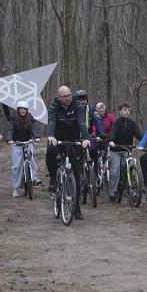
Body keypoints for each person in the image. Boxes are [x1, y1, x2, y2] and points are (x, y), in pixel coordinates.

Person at [45, 86, 91, 219]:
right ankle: (53, 179)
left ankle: (76, 209)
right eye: (65, 96)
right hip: (58, 139)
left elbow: (82, 123)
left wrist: (86, 138)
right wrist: (51, 136)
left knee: (76, 174)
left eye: (69, 95)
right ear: (59, 98)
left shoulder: (78, 106)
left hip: (74, 140)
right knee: (50, 151)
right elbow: (51, 123)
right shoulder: (53, 107)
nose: (68, 98)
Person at [6, 100, 42, 198]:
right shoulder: (13, 118)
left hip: (28, 142)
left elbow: (33, 129)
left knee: (31, 160)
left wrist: (36, 137)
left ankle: (34, 178)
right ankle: (15, 188)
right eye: (21, 109)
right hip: (16, 143)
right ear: (18, 109)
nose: (23, 111)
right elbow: (10, 130)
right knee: (17, 166)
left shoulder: (30, 118)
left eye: (24, 109)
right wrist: (9, 139)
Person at [107, 103, 142, 201]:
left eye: (128, 110)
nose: (127, 112)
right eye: (125, 110)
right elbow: (113, 133)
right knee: (115, 171)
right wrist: (111, 141)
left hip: (127, 149)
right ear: (120, 111)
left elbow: (138, 134)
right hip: (116, 150)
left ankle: (132, 192)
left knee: (131, 169)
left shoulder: (132, 123)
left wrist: (144, 142)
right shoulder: (117, 122)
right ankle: (112, 192)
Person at [74, 90, 106, 167]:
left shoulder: (91, 110)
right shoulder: (72, 110)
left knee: (93, 149)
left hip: (89, 136)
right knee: (74, 154)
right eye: (80, 100)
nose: (82, 102)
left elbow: (98, 121)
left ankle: (95, 169)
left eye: (84, 100)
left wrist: (102, 133)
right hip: (76, 137)